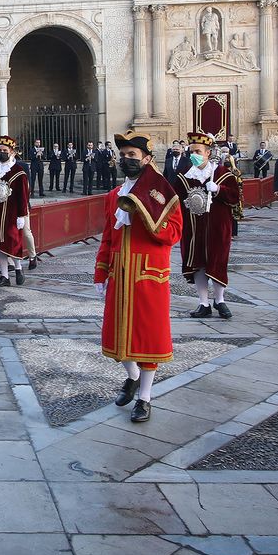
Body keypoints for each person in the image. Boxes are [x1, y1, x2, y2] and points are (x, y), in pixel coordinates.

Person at [92, 130, 182, 423]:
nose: (127, 159)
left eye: (133, 155)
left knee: (148, 337)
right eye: (124, 155)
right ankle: (131, 377)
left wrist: (145, 214)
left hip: (149, 275)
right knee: (117, 335)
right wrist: (100, 273)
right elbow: (107, 237)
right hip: (119, 273)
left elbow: (173, 234)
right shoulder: (113, 196)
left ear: (146, 159)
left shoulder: (161, 193)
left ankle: (144, 398)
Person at [177, 132, 241, 318]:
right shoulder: (185, 176)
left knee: (218, 261)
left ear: (207, 152)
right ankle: (203, 302)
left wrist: (219, 189)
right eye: (191, 152)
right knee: (198, 263)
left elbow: (235, 198)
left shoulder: (222, 174)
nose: (193, 155)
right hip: (194, 227)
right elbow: (175, 200)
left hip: (217, 226)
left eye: (197, 151)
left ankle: (219, 299)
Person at [0, 134, 32, 287]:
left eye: (4, 150)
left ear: (12, 152)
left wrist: (22, 215)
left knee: (12, 241)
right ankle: (4, 276)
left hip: (11, 213)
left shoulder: (19, 172)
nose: (1, 152)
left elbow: (23, 196)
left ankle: (18, 268)